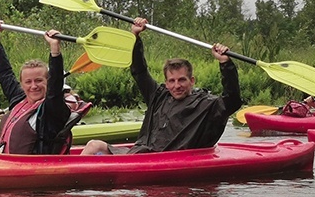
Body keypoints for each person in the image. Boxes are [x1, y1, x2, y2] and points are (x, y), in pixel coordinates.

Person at [81, 18, 243, 155]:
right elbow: (139, 72)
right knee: (93, 145)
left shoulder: (206, 105)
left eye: (182, 80)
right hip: (142, 154)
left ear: (192, 80)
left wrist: (225, 63)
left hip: (170, 160)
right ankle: (76, 182)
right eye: (172, 81)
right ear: (166, 83)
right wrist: (135, 36)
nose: (176, 85)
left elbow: (233, 99)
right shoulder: (158, 96)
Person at [0, 22, 71, 154]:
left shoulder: (51, 109)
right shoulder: (18, 100)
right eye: (28, 82)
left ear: (47, 81)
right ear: (22, 84)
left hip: (35, 167)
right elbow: (4, 73)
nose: (34, 86)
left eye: (39, 80)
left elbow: (56, 85)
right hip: (5, 163)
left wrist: (54, 49)